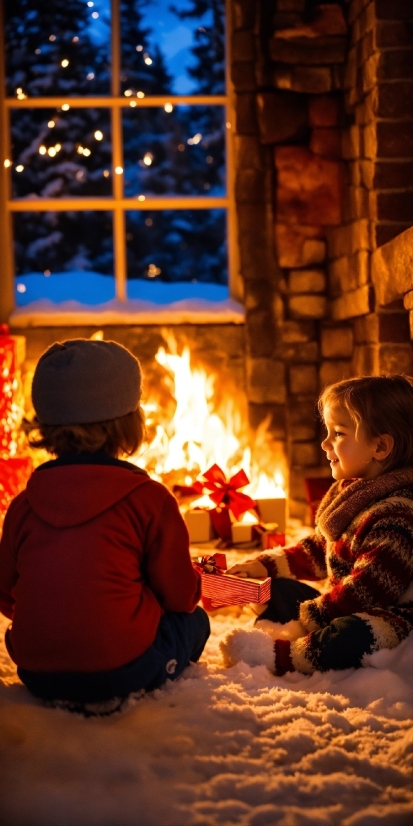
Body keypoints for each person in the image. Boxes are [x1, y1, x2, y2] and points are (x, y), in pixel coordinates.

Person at [0, 339, 209, 713]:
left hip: (36, 671)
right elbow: (180, 597)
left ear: (45, 426)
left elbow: (5, 596)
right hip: (123, 668)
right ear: (131, 422)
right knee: (195, 621)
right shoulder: (150, 499)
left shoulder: (22, 505)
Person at [221, 375, 413, 676]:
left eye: (338, 433)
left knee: (351, 634)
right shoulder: (357, 492)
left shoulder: (397, 515)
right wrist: (265, 565)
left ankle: (282, 656)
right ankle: (285, 625)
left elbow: (365, 592)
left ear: (380, 446)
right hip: (345, 603)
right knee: (277, 590)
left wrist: (306, 622)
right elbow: (321, 547)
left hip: (390, 615)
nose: (325, 443)